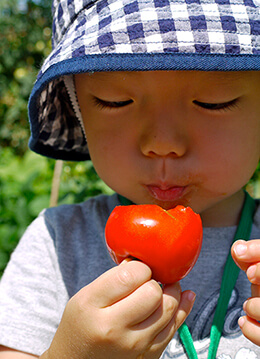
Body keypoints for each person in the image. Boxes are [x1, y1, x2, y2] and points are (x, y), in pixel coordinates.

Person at [0, 0, 260, 357]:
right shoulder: (58, 244)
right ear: (78, 108)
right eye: (115, 101)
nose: (162, 144)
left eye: (214, 102)